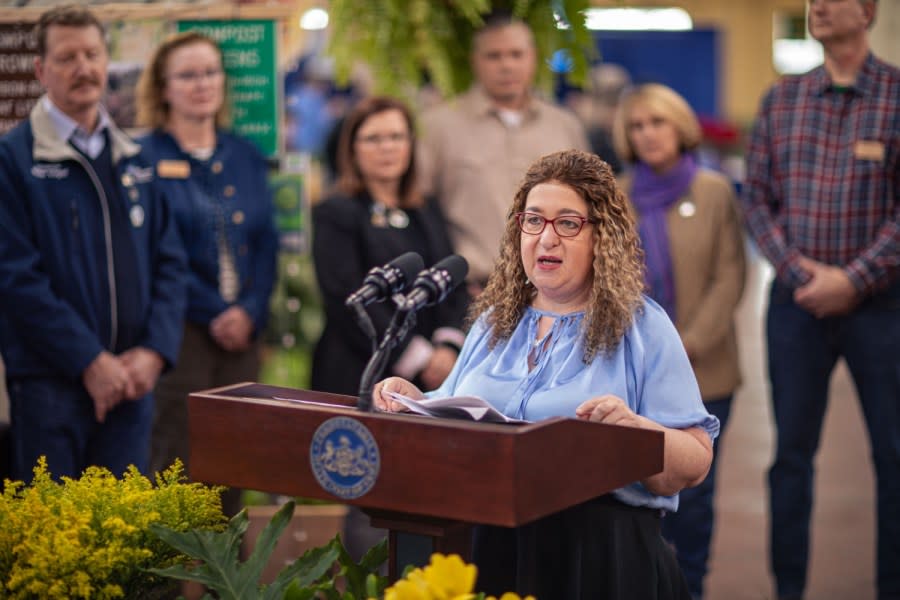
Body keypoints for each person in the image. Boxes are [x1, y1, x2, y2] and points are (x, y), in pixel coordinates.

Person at [374, 149, 718, 599]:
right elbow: (453, 411)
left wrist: (639, 433)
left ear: (602, 236)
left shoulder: (642, 326)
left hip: (596, 558)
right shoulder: (493, 323)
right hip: (488, 546)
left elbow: (696, 459)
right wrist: (410, 398)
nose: (546, 238)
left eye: (568, 223)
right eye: (533, 220)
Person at [741, 1, 899, 599]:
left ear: (869, 11)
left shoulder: (894, 95)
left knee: (894, 456)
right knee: (790, 459)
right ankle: (788, 589)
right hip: (795, 309)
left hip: (882, 308)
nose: (819, 7)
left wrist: (854, 280)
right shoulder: (781, 100)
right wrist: (796, 273)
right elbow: (755, 196)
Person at [0, 5, 187, 482]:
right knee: (51, 543)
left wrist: (154, 352)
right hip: (49, 388)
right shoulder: (13, 161)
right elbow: (15, 276)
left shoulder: (135, 158)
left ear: (107, 61)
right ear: (40, 70)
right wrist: (88, 359)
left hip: (131, 385)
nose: (82, 68)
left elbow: (170, 262)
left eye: (92, 54)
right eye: (66, 58)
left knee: (125, 545)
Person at [312, 96, 469, 560]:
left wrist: (446, 347)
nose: (387, 148)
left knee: (427, 498)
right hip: (363, 377)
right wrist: (419, 357)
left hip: (433, 384)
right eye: (374, 138)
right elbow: (347, 298)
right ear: (352, 149)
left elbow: (451, 283)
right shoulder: (338, 212)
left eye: (396, 136)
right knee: (372, 503)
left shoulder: (426, 208)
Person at [135, 32, 278, 512]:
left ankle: (228, 583)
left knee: (234, 465)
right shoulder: (143, 159)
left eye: (211, 72)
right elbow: (152, 253)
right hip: (179, 335)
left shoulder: (245, 155)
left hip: (243, 337)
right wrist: (217, 311)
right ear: (163, 88)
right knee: (174, 470)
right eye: (188, 75)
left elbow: (266, 246)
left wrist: (250, 312)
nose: (202, 84)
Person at [613, 83, 746, 600]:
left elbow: (730, 276)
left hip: (706, 369)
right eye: (637, 126)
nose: (647, 134)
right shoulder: (616, 195)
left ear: (680, 126)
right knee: (639, 490)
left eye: (657, 122)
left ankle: (690, 587)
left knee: (696, 494)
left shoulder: (713, 192)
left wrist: (681, 348)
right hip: (630, 376)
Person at [418, 10, 589, 293]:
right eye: (494, 56)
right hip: (473, 291)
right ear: (475, 61)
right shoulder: (438, 127)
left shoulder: (564, 126)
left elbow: (588, 209)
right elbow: (419, 213)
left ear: (534, 57)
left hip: (556, 293)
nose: (506, 65)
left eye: (516, 54)